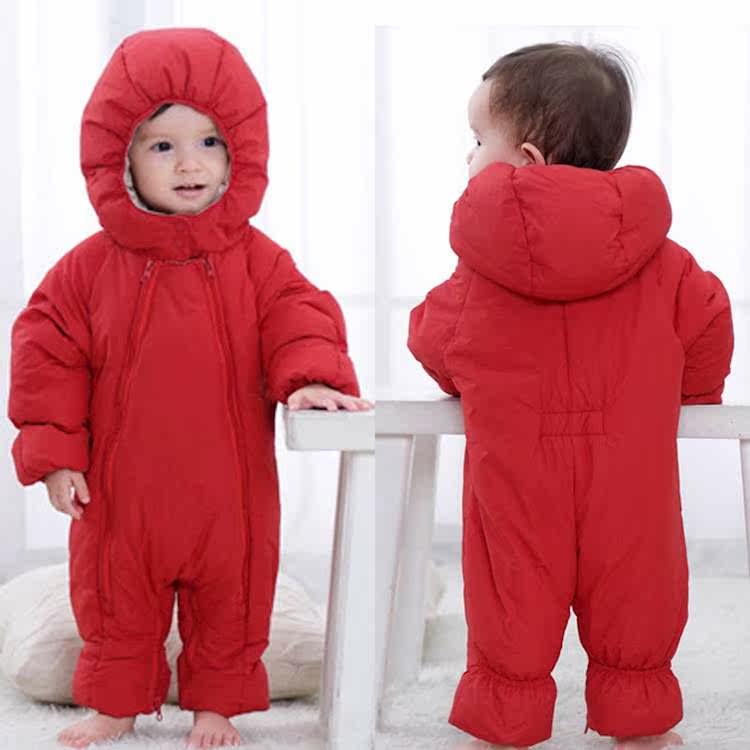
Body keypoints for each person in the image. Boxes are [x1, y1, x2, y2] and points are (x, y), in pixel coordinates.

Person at [8, 27, 371, 749]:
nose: (189, 164)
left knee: (234, 599)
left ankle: (217, 706)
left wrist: (311, 379)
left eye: (209, 141)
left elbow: (301, 318)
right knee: (113, 599)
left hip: (229, 494)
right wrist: (55, 456)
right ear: (119, 157)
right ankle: (116, 704)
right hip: (120, 493)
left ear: (240, 151)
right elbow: (47, 355)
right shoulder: (88, 269)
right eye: (161, 145)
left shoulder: (259, 262)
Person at [408, 42, 733, 750]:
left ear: (526, 159)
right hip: (630, 474)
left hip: (517, 477)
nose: (469, 156)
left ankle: (505, 724)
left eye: (477, 140)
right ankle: (640, 727)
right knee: (637, 584)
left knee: (511, 590)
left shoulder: (480, 271)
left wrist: (467, 374)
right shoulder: (663, 260)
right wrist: (693, 392)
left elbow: (434, 341)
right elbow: (710, 320)